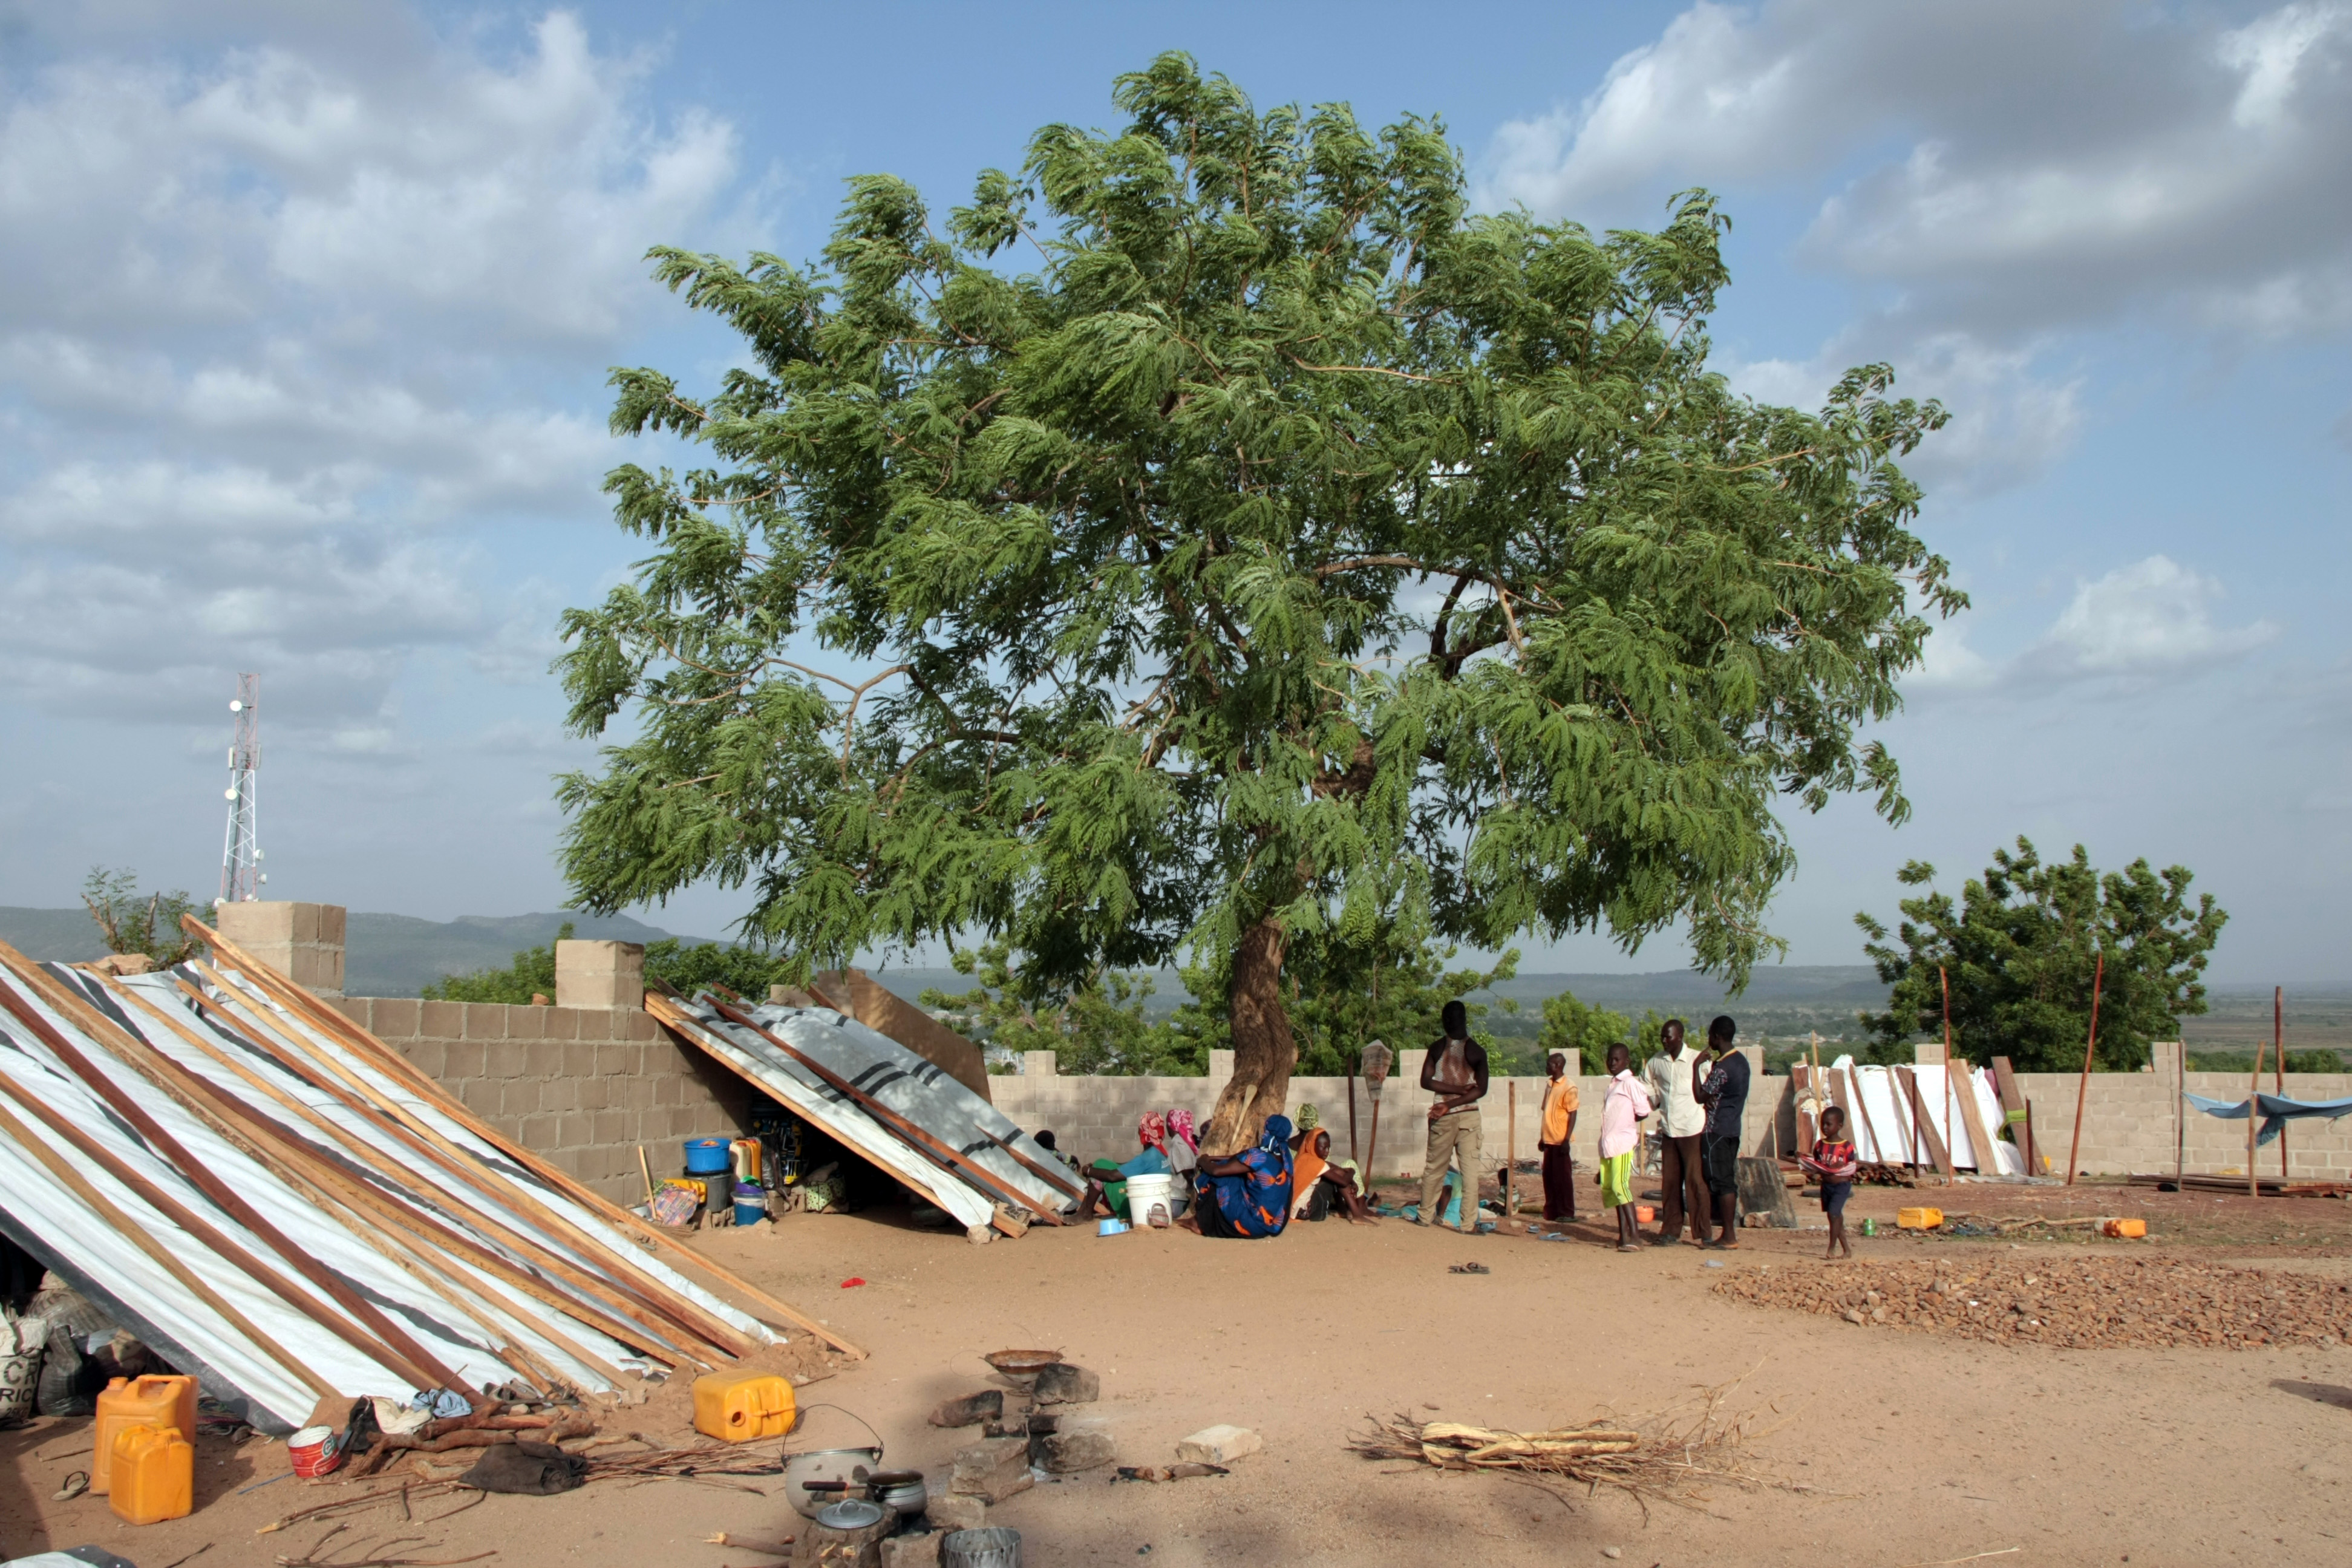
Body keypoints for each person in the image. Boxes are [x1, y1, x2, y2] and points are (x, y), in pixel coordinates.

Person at [1417, 1000, 1489, 1232]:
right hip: (1468, 1116)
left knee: (1435, 1169)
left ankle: (1425, 1217)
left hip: (1442, 1115)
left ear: (1445, 1021)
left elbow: (1426, 1081)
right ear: (1465, 1019)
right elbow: (1481, 1089)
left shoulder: (1437, 1048)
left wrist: (1449, 1104)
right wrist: (1460, 1093)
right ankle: (1468, 1225)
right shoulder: (1476, 1051)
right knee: (1469, 1175)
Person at [1644, 1018, 1711, 1246]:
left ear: (1680, 1037)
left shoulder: (1697, 1060)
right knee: (1670, 1182)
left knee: (1695, 1181)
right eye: (1662, 1036)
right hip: (1669, 1130)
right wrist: (1655, 1101)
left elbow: (1708, 1088)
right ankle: (1671, 1230)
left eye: (1668, 1036)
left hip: (1692, 1129)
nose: (1664, 1040)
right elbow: (1646, 1082)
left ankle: (1703, 1233)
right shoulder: (1657, 1061)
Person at [1182, 1114, 1295, 1237]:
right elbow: (1240, 1157)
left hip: (1253, 1224)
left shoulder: (1260, 1157)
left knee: (1223, 1178)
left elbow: (1216, 1171)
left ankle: (1200, 1222)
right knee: (1231, 1169)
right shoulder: (1285, 1157)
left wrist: (1203, 1162)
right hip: (1273, 1226)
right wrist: (1212, 1158)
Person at [1693, 1016, 1751, 1249]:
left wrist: (1696, 1066)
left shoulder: (1724, 1068)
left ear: (1717, 1037)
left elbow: (1700, 1096)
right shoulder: (1741, 1062)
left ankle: (1728, 1235)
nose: (1709, 1040)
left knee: (1722, 1182)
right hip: (1732, 1129)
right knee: (1725, 1179)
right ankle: (1727, 1233)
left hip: (1716, 1131)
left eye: (1710, 1035)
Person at [1598, 1043, 1654, 1252]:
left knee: (1622, 1187)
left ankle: (1635, 1237)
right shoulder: (1613, 1085)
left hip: (1622, 1143)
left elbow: (1643, 1111)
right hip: (1609, 1145)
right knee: (1613, 1190)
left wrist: (1626, 1122)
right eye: (1610, 1059)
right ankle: (1623, 1236)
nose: (1613, 1063)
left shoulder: (1630, 1083)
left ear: (1627, 1061)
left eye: (1617, 1060)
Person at [1076, 1111, 1172, 1220]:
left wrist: (1088, 1171)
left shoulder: (1147, 1157)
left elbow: (1112, 1177)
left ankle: (1085, 1214)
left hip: (1140, 1204)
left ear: (1143, 1132)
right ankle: (1084, 1212)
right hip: (1156, 1202)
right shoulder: (1160, 1153)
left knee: (1099, 1166)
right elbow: (1133, 1166)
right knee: (1102, 1165)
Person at [1800, 1105, 1859, 1260]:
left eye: (1829, 1124)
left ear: (1839, 1126)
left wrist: (1841, 1166)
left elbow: (1853, 1166)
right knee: (1835, 1217)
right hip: (1826, 1186)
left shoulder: (1846, 1146)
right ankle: (1847, 1250)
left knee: (1834, 1214)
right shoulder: (1820, 1146)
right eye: (1823, 1123)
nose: (1825, 1127)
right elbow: (1818, 1165)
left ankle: (1831, 1248)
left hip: (1841, 1185)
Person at [1291, 1126, 1378, 1223]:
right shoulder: (1316, 1163)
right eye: (1323, 1148)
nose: (1327, 1151)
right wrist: (1352, 1171)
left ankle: (1343, 1211)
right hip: (1304, 1211)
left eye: (1328, 1147)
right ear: (1312, 1145)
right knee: (1337, 1176)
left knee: (1336, 1173)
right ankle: (1357, 1215)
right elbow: (1344, 1182)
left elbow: (1334, 1168)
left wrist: (1352, 1180)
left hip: (1293, 1210)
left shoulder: (1305, 1158)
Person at [1536, 1051, 1581, 1222]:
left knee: (1563, 1179)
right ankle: (1552, 1211)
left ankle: (1567, 1212)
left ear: (1558, 1066)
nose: (1546, 1067)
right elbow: (1547, 1113)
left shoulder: (1569, 1086)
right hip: (1549, 1140)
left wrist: (1566, 1140)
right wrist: (1542, 1138)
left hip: (1560, 1140)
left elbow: (1573, 1113)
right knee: (1549, 1178)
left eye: (1549, 1065)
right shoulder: (1550, 1085)